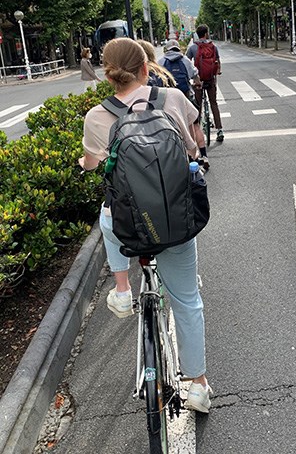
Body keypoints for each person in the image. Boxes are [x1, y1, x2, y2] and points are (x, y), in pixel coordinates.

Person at [78, 37, 212, 412]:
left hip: (129, 227)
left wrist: (86, 163)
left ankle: (122, 290)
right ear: (145, 67)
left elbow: (92, 164)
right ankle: (198, 385)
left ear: (108, 75)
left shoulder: (96, 116)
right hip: (174, 221)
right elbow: (197, 144)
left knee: (107, 215)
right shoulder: (172, 99)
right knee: (187, 301)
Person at [159, 39, 210, 170]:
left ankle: (181, 159)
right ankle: (203, 156)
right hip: (186, 97)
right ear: (177, 48)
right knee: (195, 125)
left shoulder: (161, 62)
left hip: (168, 101)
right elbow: (195, 74)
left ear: (167, 49)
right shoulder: (185, 60)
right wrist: (197, 84)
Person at [186, 24, 224, 142]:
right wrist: (217, 72)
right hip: (210, 79)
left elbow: (186, 62)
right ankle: (219, 130)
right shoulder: (213, 46)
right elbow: (217, 61)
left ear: (197, 34)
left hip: (198, 80)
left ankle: (198, 130)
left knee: (198, 105)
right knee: (213, 103)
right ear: (207, 33)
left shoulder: (193, 48)